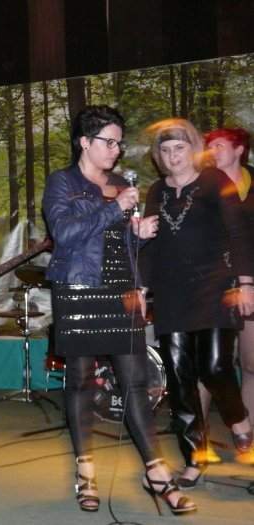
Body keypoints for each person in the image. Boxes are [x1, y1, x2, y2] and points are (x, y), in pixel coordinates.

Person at [43, 106, 195, 514]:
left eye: (119, 143)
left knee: (135, 383)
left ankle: (156, 471)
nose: (116, 150)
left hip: (120, 291)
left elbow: (121, 245)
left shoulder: (120, 184)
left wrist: (138, 235)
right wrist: (115, 209)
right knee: (80, 381)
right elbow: (65, 233)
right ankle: (85, 472)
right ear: (84, 142)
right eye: (109, 142)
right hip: (78, 288)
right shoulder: (62, 182)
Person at [141, 119, 254, 488]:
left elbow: (238, 233)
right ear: (158, 156)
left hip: (215, 288)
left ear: (193, 149)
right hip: (171, 294)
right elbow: (150, 246)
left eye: (179, 148)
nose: (173, 156)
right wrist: (141, 288)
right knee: (179, 379)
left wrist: (246, 283)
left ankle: (239, 420)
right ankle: (194, 457)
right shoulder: (157, 191)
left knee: (216, 367)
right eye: (165, 150)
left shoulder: (214, 181)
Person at [197, 128, 254, 463]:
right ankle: (197, 441)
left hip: (250, 284)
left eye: (219, 145)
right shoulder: (201, 184)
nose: (212, 151)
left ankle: (248, 440)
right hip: (213, 285)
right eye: (208, 146)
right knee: (210, 365)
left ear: (239, 149)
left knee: (250, 364)